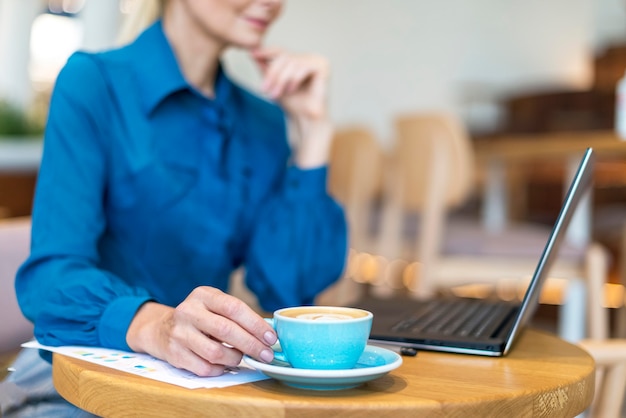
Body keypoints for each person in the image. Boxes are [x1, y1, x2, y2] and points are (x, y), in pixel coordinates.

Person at [1, 0, 346, 416]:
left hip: (198, 388)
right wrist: (155, 325)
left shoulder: (263, 121)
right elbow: (51, 277)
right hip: (85, 379)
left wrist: (313, 133)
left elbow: (288, 291)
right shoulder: (94, 83)